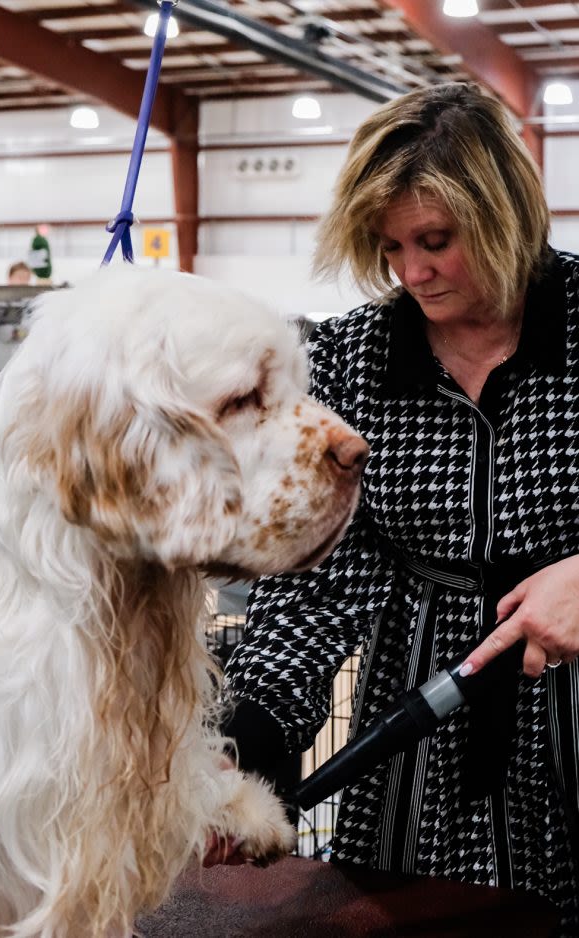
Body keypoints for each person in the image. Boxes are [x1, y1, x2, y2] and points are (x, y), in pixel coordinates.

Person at [219, 82, 579, 934]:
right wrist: (245, 746)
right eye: (388, 247)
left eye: (436, 241)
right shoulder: (351, 357)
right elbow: (316, 585)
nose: (410, 273)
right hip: (417, 727)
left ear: (504, 217)